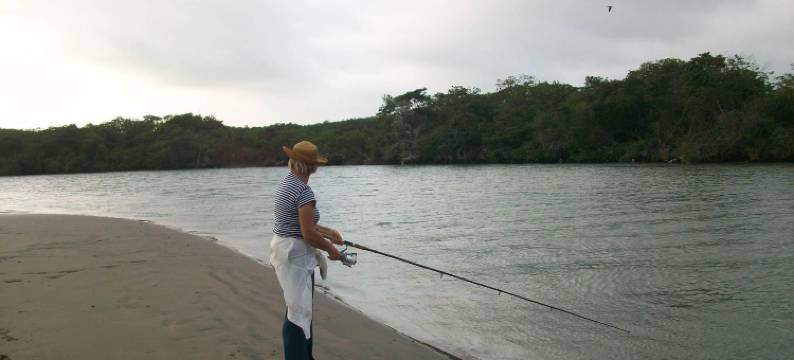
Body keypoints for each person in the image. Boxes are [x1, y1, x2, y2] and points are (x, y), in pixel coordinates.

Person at [270, 140, 343, 360]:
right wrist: (332, 250)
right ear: (312, 166)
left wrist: (329, 232)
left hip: (284, 250)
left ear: (293, 162)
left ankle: (305, 356)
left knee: (300, 309)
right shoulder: (304, 191)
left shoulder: (287, 183)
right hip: (295, 256)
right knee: (298, 313)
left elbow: (300, 224)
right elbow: (307, 233)